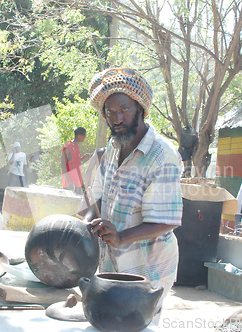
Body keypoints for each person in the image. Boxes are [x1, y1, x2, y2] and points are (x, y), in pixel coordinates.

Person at [83, 67, 183, 321]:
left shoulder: (161, 156)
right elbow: (97, 198)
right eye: (110, 111)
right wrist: (83, 229)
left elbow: (168, 219)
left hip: (147, 268)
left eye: (124, 109)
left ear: (140, 109)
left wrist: (121, 236)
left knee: (137, 325)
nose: (117, 119)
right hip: (111, 262)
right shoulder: (114, 147)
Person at [61, 127, 92, 194]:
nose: (85, 137)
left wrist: (82, 158)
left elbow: (73, 161)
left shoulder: (76, 146)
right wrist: (68, 181)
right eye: (84, 135)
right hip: (69, 182)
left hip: (77, 180)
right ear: (80, 136)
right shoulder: (68, 147)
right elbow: (63, 164)